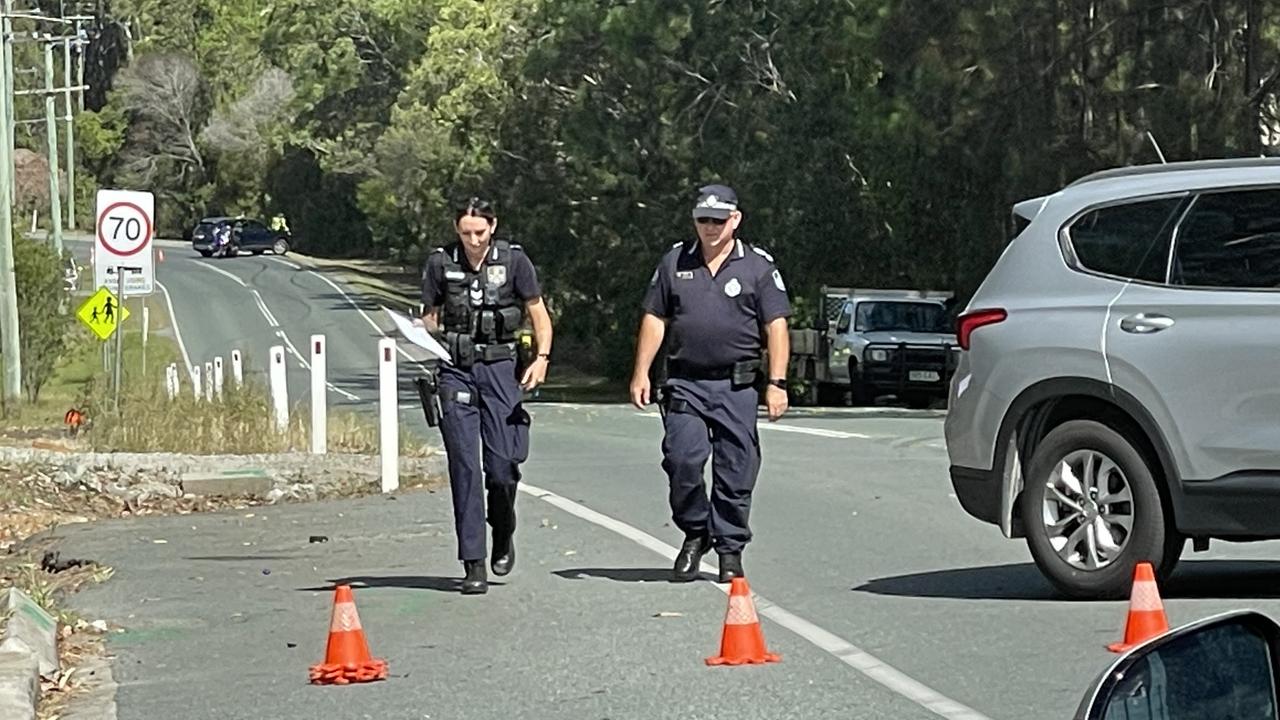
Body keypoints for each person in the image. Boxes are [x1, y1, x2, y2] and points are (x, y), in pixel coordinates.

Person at [629, 183, 792, 583]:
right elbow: (655, 318)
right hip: (686, 383)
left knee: (736, 470)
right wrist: (641, 371)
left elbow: (777, 325)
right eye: (704, 219)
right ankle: (696, 531)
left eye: (719, 220)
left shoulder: (757, 266)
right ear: (694, 220)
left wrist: (777, 382)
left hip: (736, 386)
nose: (710, 227)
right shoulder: (674, 262)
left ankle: (730, 549)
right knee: (682, 460)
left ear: (734, 220)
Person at [419, 196, 553, 595]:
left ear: (492, 226)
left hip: (500, 369)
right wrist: (422, 333)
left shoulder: (513, 261)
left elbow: (539, 314)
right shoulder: (440, 263)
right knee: (464, 465)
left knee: (501, 467)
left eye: (479, 232)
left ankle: (504, 526)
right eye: (465, 233)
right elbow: (430, 316)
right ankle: (473, 561)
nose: (473, 240)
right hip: (455, 370)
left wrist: (541, 358)